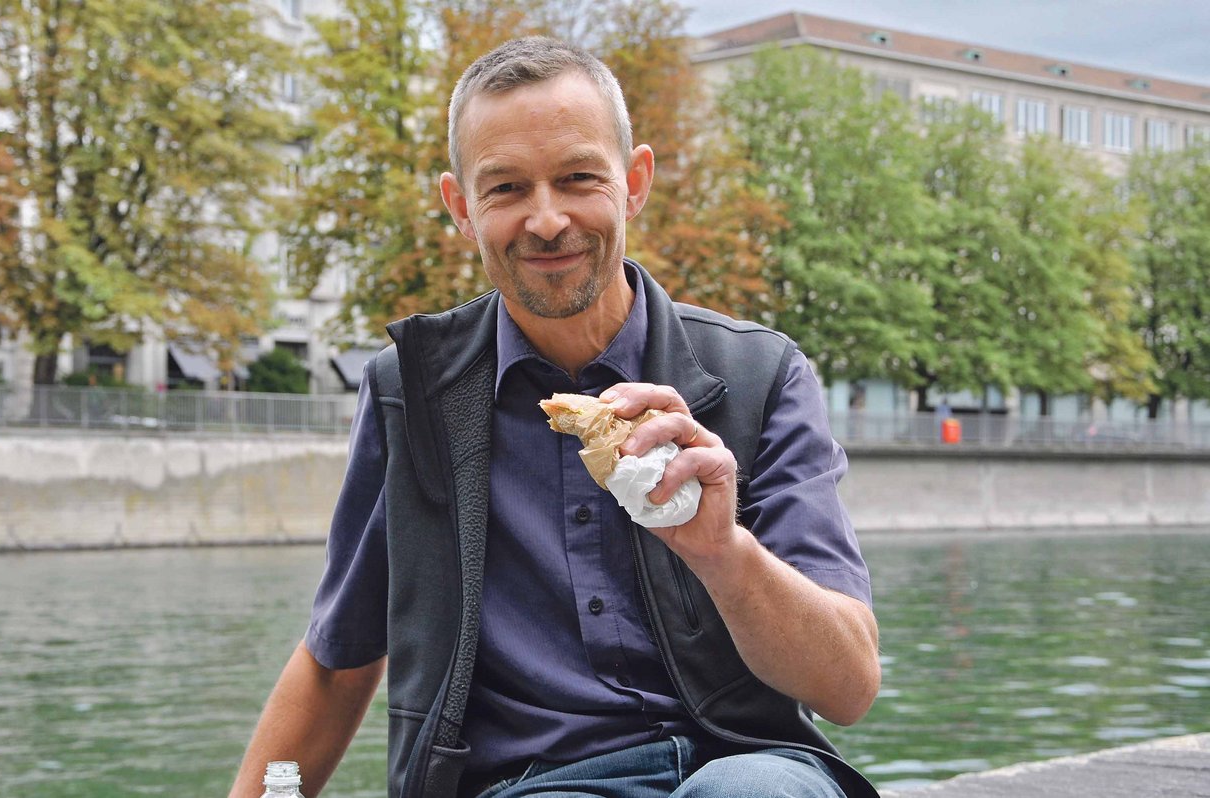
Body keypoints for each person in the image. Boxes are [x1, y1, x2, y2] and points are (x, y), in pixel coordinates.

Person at [230, 37, 880, 798]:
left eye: (578, 179)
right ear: (461, 209)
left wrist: (723, 554)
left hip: (743, 763)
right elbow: (340, 660)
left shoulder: (760, 376)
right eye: (505, 189)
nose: (545, 220)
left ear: (634, 182)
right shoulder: (412, 393)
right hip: (533, 782)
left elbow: (848, 689)